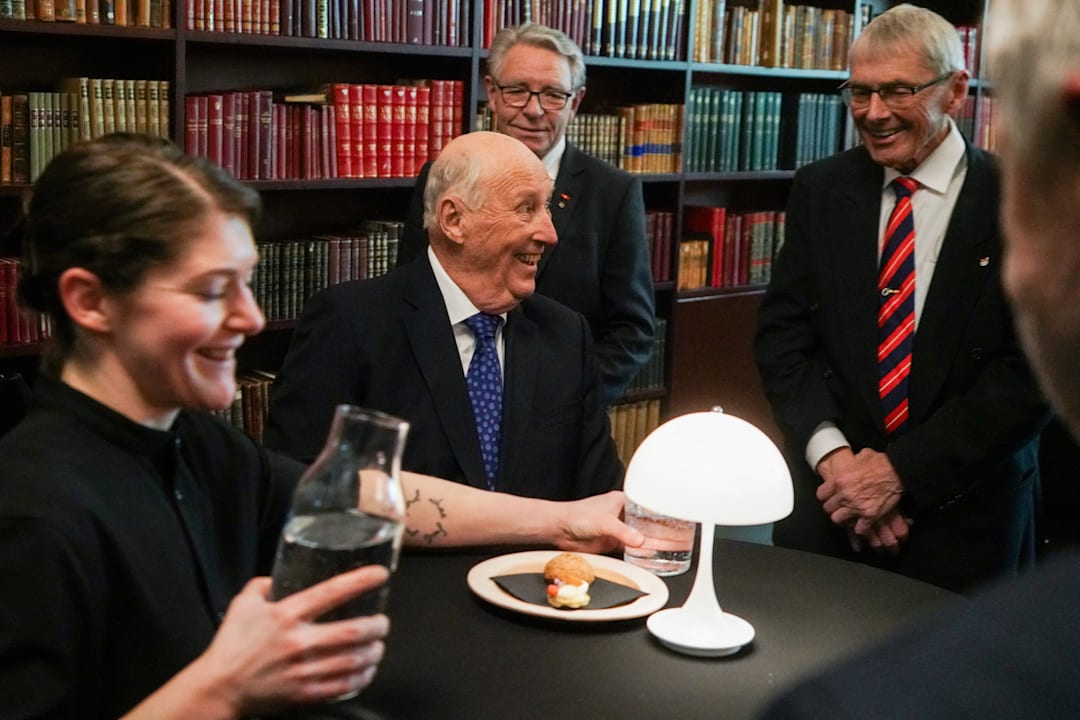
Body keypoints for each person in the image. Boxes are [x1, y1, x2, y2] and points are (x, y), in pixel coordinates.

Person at [0, 134, 642, 720]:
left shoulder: (196, 443)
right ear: (90, 301)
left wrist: (562, 521)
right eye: (211, 291)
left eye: (245, 285)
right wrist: (226, 685)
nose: (251, 319)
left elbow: (358, 492)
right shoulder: (33, 515)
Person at [758, 1, 1080, 716]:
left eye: (898, 91)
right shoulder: (820, 189)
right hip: (828, 512)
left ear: (956, 91)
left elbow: (1027, 372)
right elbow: (782, 338)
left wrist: (900, 474)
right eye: (859, 92)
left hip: (966, 520)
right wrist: (837, 463)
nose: (873, 113)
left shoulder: (1014, 192)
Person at [265, 131, 623, 502]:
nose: (550, 234)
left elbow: (603, 496)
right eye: (525, 209)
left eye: (546, 207)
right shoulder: (349, 323)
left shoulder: (566, 335)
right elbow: (301, 487)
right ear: (454, 219)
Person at [395, 22, 655, 408]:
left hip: (559, 414)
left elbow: (631, 332)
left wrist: (567, 406)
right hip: (443, 402)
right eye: (517, 90)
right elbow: (411, 294)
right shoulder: (444, 176)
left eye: (553, 95)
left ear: (576, 102)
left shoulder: (614, 192)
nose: (533, 110)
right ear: (492, 92)